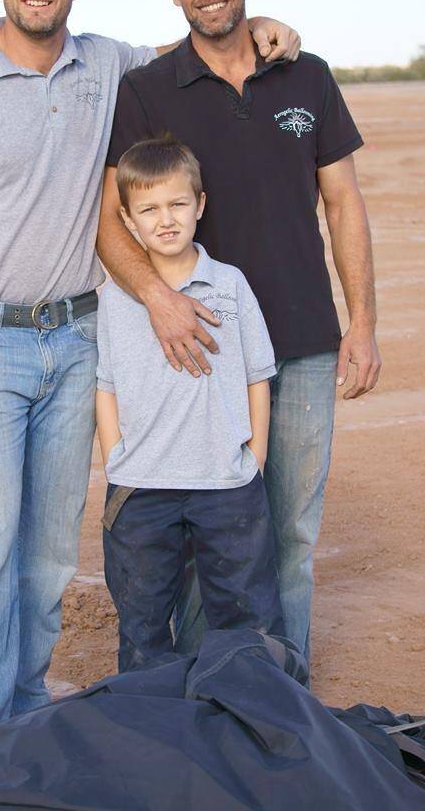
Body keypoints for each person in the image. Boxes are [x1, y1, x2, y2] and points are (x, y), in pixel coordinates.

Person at [0, 0, 301, 739]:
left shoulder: (106, 63)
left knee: (47, 559)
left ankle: (27, 707)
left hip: (77, 339)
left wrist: (269, 25)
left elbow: (196, 47)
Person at [97, 0, 382, 661]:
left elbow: (344, 202)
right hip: (204, 351)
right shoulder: (149, 89)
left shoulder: (307, 75)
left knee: (288, 529)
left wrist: (362, 323)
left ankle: (275, 696)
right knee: (205, 538)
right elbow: (110, 218)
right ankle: (202, 701)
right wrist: (160, 303)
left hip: (306, 341)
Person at [96, 137, 284, 670]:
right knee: (143, 626)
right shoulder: (115, 300)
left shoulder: (230, 285)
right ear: (128, 223)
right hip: (142, 487)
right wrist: (116, 459)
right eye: (149, 210)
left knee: (248, 618)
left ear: (200, 205)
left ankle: (250, 724)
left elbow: (257, 375)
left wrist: (255, 456)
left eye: (178, 204)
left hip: (225, 483)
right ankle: (153, 732)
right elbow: (105, 384)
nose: (166, 220)